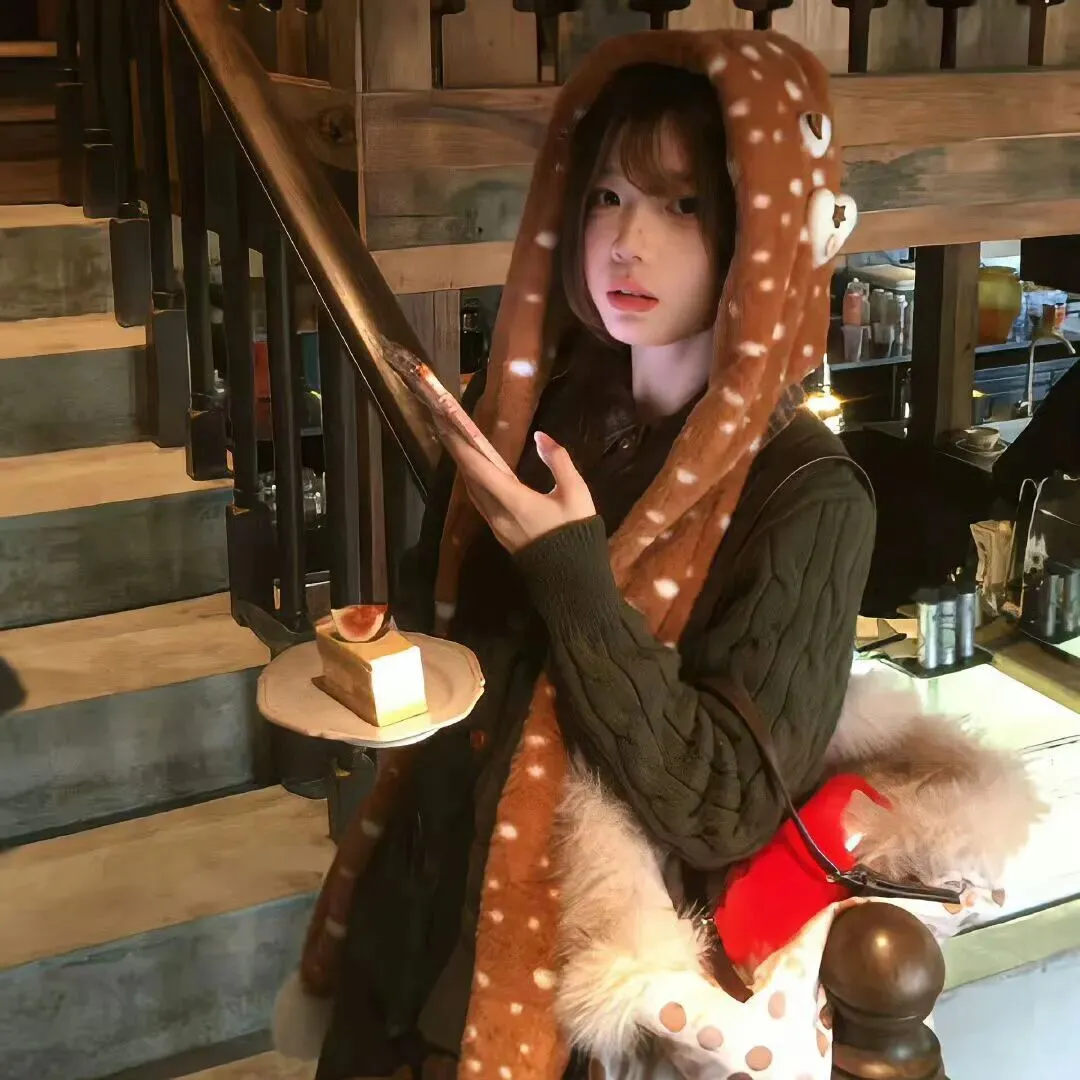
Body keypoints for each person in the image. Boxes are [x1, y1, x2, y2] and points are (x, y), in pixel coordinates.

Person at [289, 33, 875, 1080]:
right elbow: (453, 642)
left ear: (765, 235)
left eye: (682, 205)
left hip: (576, 1006)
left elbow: (724, 803)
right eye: (607, 197)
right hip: (417, 914)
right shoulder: (538, 407)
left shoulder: (809, 494)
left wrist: (572, 575)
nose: (626, 243)